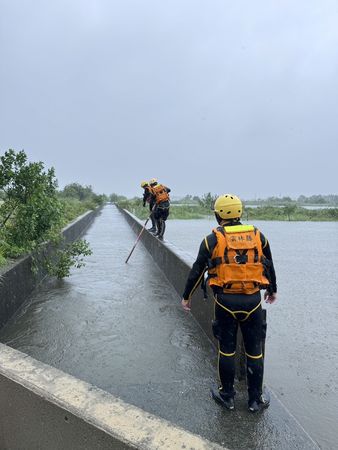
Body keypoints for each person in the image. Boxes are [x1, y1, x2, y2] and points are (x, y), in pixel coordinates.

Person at [181, 194, 277, 413]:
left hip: (224, 301)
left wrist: (186, 296)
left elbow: (197, 271)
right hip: (252, 301)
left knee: (227, 350)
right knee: (254, 351)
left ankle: (227, 396)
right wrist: (272, 290)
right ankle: (255, 400)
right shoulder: (258, 235)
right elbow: (268, 264)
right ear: (239, 213)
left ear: (218, 215)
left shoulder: (211, 240)